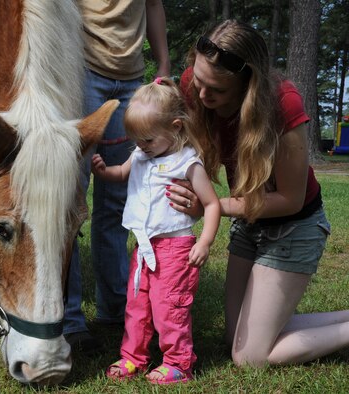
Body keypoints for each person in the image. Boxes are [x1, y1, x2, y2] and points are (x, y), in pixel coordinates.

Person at [170, 19, 349, 367]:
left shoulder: (283, 104)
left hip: (293, 228)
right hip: (249, 223)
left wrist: (212, 206)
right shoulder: (194, 85)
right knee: (235, 334)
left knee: (249, 356)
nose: (202, 96)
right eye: (198, 81)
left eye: (216, 91)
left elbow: (290, 199)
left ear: (247, 85)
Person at [96, 77, 221, 384]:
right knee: (136, 305)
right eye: (136, 140)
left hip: (176, 249)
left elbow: (213, 204)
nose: (141, 146)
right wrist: (103, 171)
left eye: (148, 140)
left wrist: (204, 241)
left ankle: (178, 362)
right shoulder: (141, 154)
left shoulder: (187, 163)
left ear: (176, 126)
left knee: (169, 307)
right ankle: (133, 357)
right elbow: (122, 173)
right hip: (143, 246)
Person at [63, 0, 171, 355]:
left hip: (131, 81)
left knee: (117, 205)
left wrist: (164, 64)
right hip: (82, 73)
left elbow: (152, 5)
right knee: (70, 204)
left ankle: (113, 309)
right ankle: (70, 320)